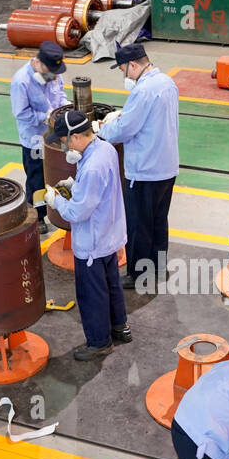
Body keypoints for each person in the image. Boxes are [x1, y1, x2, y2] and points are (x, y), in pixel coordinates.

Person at [47, 110, 130, 362]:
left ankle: (99, 342)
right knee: (111, 284)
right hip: (110, 235)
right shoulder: (105, 149)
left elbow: (78, 212)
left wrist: (56, 201)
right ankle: (120, 328)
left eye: (63, 141)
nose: (63, 146)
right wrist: (76, 185)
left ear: (74, 137)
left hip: (93, 241)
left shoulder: (92, 165)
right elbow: (98, 189)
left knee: (91, 293)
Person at [96, 44, 180, 291]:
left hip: (145, 170)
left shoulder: (142, 91)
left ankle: (137, 275)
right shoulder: (167, 82)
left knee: (138, 223)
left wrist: (100, 129)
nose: (125, 76)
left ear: (133, 64)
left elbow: (125, 130)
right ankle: (158, 266)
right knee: (158, 220)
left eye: (124, 70)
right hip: (167, 166)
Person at [10, 41, 70, 234]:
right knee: (36, 177)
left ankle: (59, 208)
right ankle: (38, 215)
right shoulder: (21, 81)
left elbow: (60, 93)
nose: (54, 76)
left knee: (58, 171)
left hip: (54, 135)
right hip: (34, 138)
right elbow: (20, 113)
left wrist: (63, 109)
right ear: (37, 63)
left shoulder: (53, 74)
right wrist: (44, 117)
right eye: (50, 71)